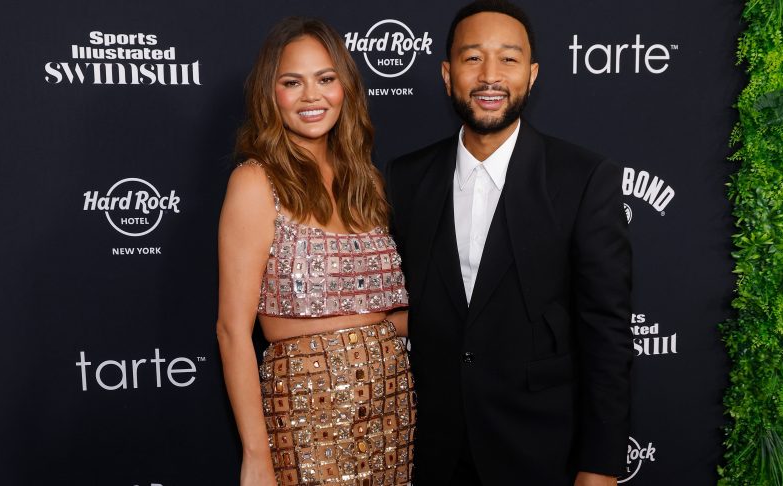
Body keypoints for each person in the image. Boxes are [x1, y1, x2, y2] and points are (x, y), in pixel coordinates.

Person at [384, 1, 632, 485]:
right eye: (473, 57)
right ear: (446, 72)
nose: (489, 76)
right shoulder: (405, 178)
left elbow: (606, 329)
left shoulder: (582, 178)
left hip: (540, 449)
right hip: (431, 451)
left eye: (509, 59)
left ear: (533, 74)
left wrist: (600, 465)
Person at [217, 17, 414, 486]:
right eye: (292, 82)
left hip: (392, 405)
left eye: (325, 79)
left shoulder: (367, 183)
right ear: (272, 94)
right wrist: (256, 455)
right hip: (306, 412)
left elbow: (398, 308)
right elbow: (231, 331)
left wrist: (375, 333)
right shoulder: (255, 182)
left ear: (345, 88)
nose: (312, 96)